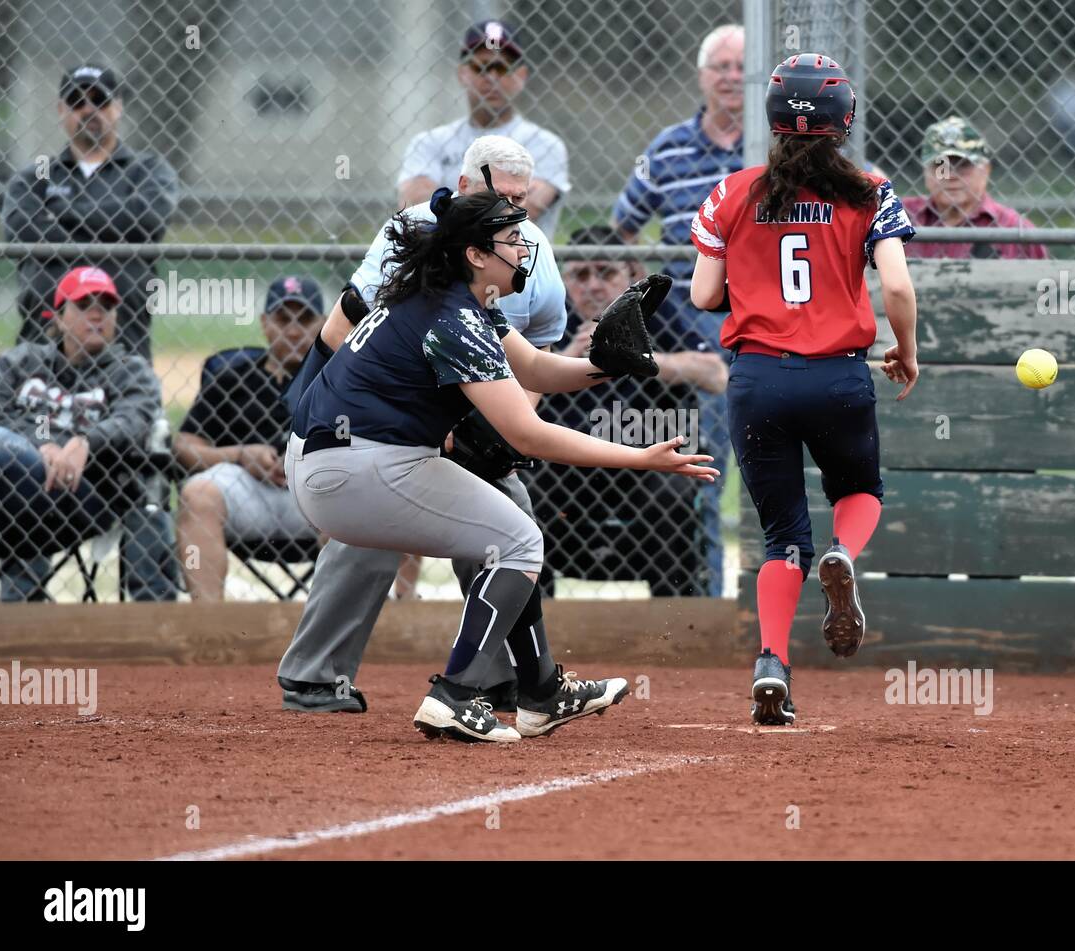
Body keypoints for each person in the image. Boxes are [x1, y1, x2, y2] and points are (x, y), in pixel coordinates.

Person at [287, 184, 716, 743]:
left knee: (508, 530)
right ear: (475, 254)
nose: (523, 249)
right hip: (358, 468)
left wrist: (606, 365)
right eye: (511, 240)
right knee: (519, 541)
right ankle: (457, 695)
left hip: (336, 461)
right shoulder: (454, 317)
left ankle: (539, 692)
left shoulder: (451, 298)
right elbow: (526, 433)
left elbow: (536, 369)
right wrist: (639, 457)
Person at [275, 136, 567, 715]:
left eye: (521, 201)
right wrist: (327, 401)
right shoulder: (417, 232)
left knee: (509, 514)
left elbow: (539, 351)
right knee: (372, 523)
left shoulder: (531, 255)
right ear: (462, 188)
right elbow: (347, 323)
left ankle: (495, 676)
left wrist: (510, 422)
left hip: (478, 407)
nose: (510, 212)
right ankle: (316, 674)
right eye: (496, 195)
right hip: (385, 407)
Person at [689, 53, 918, 725]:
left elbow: (704, 292)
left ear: (771, 117)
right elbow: (898, 285)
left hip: (758, 379)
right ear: (843, 119)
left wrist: (756, 285)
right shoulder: (869, 190)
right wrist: (904, 350)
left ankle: (770, 663)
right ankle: (844, 553)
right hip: (837, 374)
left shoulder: (732, 192)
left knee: (782, 535)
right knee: (858, 491)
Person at [612, 22, 745, 597]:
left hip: (771, 321)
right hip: (693, 325)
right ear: (702, 77)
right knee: (706, 473)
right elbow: (621, 226)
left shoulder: (778, 148)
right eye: (721, 66)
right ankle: (713, 606)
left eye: (742, 66)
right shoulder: (666, 148)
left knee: (779, 470)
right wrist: (649, 289)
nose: (732, 77)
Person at [535, 225, 727, 595]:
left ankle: (675, 619)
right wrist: (571, 358)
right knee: (528, 492)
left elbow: (715, 375)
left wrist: (641, 359)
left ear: (629, 274)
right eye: (580, 275)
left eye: (606, 272)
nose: (593, 286)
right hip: (567, 462)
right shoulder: (553, 318)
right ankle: (534, 624)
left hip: (644, 454)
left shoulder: (651, 310)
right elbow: (519, 397)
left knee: (671, 493)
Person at [0, 266, 178, 601]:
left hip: (89, 496)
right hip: (12, 493)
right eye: (84, 305)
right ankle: (19, 618)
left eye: (106, 307)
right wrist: (41, 443)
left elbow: (134, 419)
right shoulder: (21, 363)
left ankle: (18, 610)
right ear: (59, 317)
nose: (97, 314)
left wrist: (85, 442)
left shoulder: (130, 371)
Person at [0, 65, 178, 360]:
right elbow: (21, 230)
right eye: (76, 101)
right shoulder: (36, 176)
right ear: (61, 109)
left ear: (118, 107)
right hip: (42, 340)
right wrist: (111, 240)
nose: (88, 110)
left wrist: (63, 213)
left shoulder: (146, 170)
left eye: (100, 100)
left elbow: (146, 220)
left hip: (124, 340)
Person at [173, 276, 325, 601]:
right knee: (197, 494)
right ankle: (208, 629)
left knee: (364, 494)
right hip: (248, 492)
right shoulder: (233, 377)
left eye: (305, 319)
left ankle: (345, 629)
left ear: (324, 323)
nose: (295, 330)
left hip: (318, 494)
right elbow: (186, 444)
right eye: (284, 319)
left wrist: (312, 459)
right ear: (265, 323)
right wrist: (241, 455)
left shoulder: (339, 376)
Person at [396, 20, 569, 236]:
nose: (492, 78)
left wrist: (446, 203)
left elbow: (525, 210)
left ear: (521, 76)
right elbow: (417, 206)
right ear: (462, 74)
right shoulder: (429, 142)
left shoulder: (545, 144)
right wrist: (496, 202)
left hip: (523, 264)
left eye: (503, 67)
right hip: (443, 265)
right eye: (482, 67)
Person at [900, 116, 1047, 260]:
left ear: (985, 170)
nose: (950, 175)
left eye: (963, 165)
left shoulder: (1015, 229)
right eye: (940, 165)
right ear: (926, 172)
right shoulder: (899, 216)